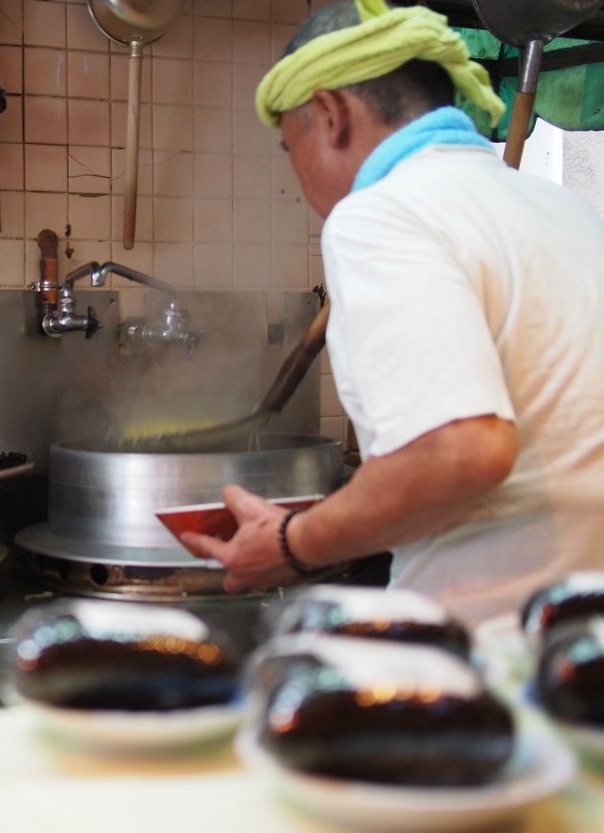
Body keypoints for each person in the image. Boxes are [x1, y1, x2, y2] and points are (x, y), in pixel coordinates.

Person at [177, 0, 604, 626]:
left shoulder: (382, 213)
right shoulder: (562, 209)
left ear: (330, 115)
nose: (298, 177)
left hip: (496, 643)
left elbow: (459, 453)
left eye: (289, 146)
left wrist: (291, 544)